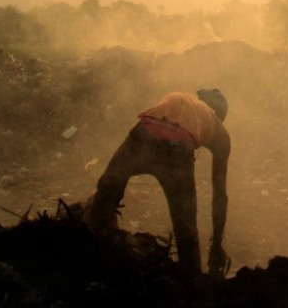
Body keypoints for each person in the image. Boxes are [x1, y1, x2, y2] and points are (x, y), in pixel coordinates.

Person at [87, 88, 231, 277]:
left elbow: (114, 180)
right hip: (177, 149)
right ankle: (191, 284)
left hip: (144, 132)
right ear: (219, 114)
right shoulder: (218, 128)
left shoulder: (182, 99)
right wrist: (216, 245)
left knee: (108, 185)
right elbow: (220, 195)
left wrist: (113, 197)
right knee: (185, 228)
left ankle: (91, 246)